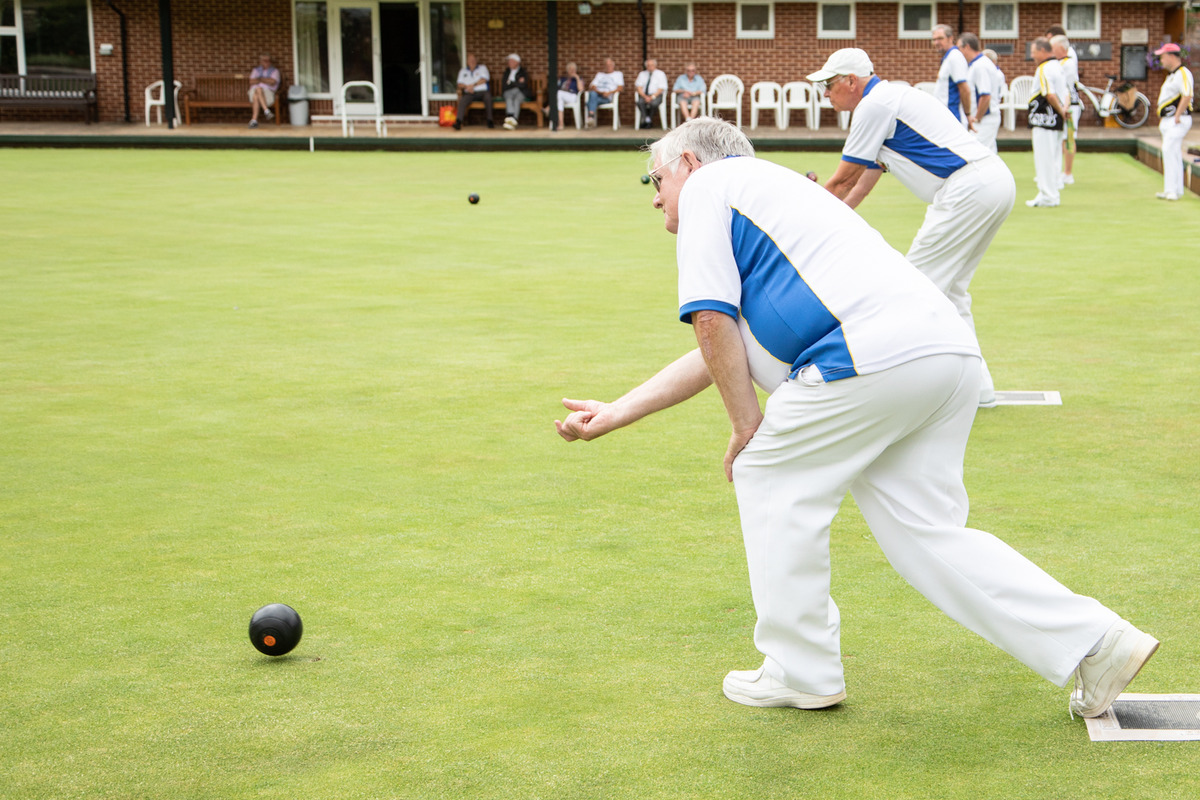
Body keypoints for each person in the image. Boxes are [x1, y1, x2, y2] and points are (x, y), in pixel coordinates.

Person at [554, 116, 1159, 718]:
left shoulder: (714, 187)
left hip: (865, 355)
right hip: (943, 356)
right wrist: (617, 412)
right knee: (927, 535)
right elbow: (720, 344)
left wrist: (747, 428)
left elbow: (709, 319)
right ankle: (1096, 643)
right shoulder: (771, 198)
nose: (654, 194)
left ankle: (801, 669)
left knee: (766, 473)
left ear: (689, 163)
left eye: (653, 177)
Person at [814, 48, 1007, 408]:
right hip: (993, 183)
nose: (826, 93)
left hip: (967, 190)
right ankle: (978, 389)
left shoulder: (874, 106)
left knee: (911, 290)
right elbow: (863, 182)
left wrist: (806, 215)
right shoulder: (892, 97)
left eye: (829, 84)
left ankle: (885, 390)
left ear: (851, 81)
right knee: (951, 294)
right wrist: (831, 217)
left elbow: (842, 180)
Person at [1026, 38, 1069, 208]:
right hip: (1056, 121)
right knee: (1052, 158)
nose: (1032, 56)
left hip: (1045, 119)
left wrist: (1060, 110)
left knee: (1044, 159)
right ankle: (1050, 193)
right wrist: (1064, 110)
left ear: (1043, 51)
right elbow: (1066, 92)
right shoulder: (1058, 67)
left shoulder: (1044, 68)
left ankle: (1048, 196)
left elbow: (1049, 94)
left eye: (1033, 51)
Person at [1153, 43, 1194, 201]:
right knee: (1173, 153)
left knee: (1169, 151)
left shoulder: (1183, 73)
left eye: (1163, 56)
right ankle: (1175, 189)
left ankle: (1171, 190)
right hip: (1169, 120)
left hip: (1177, 120)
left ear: (1171, 56)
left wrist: (1177, 115)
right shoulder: (1172, 75)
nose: (1161, 60)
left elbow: (1187, 95)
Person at [959, 33, 1000, 152]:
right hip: (985, 117)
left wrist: (977, 118)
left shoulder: (980, 66)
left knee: (978, 153)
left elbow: (985, 95)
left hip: (985, 118)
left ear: (966, 47)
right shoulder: (978, 64)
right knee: (990, 153)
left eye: (959, 48)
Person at [1051, 34, 1082, 185]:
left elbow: (1067, 89)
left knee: (1068, 138)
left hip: (1070, 107)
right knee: (1060, 139)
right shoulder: (1058, 63)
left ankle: (1068, 173)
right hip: (1061, 106)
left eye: (1053, 47)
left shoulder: (1067, 64)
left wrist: (1066, 108)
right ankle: (1057, 172)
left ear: (1062, 48)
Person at [931, 24, 971, 124]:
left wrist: (968, 115)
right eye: (934, 39)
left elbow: (964, 89)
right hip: (945, 116)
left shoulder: (955, 57)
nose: (936, 42)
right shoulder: (948, 57)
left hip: (953, 117)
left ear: (950, 38)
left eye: (940, 38)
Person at [454, 53, 493, 130]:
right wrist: (467, 87)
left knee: (488, 97)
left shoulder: (482, 68)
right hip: (469, 93)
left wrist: (473, 85)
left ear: (476, 60)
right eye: (470, 60)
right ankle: (458, 122)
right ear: (467, 61)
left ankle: (490, 120)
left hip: (482, 92)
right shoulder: (463, 71)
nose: (472, 61)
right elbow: (459, 84)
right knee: (462, 101)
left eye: (473, 59)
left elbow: (484, 79)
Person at [586, 58, 624, 128]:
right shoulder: (599, 75)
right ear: (604, 66)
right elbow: (592, 86)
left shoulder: (618, 74)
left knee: (590, 101)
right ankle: (591, 116)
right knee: (592, 93)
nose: (608, 66)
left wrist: (609, 92)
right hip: (598, 95)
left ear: (613, 65)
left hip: (607, 98)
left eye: (610, 65)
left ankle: (590, 116)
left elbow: (620, 88)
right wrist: (600, 92)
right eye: (606, 65)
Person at [247, 54, 281, 129]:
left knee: (257, 93)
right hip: (253, 92)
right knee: (257, 91)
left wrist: (259, 79)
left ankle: (254, 120)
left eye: (268, 61)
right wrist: (265, 80)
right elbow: (251, 81)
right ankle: (266, 111)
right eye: (264, 61)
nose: (266, 62)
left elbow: (272, 81)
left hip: (268, 93)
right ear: (260, 62)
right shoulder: (256, 70)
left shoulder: (275, 71)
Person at [635, 58, 669, 129]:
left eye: (651, 65)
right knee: (639, 102)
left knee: (653, 104)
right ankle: (647, 120)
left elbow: (661, 88)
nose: (650, 67)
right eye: (648, 65)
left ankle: (647, 119)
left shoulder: (660, 74)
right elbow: (639, 87)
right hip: (645, 95)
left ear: (655, 65)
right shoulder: (642, 74)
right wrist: (645, 97)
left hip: (656, 96)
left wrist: (652, 97)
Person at [500, 53, 532, 130]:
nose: (509, 63)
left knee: (517, 100)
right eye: (509, 61)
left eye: (511, 61)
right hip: (508, 92)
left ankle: (512, 119)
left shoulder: (522, 72)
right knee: (509, 98)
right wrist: (517, 83)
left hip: (520, 92)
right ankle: (512, 118)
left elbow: (523, 85)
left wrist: (511, 83)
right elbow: (504, 85)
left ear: (517, 62)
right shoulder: (507, 72)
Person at [555, 62, 585, 129]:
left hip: (572, 96)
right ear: (567, 70)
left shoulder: (579, 78)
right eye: (570, 69)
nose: (572, 71)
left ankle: (549, 108)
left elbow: (581, 89)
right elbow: (556, 88)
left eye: (573, 69)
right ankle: (561, 124)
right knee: (559, 98)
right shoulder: (563, 79)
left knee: (559, 94)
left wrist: (577, 78)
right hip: (561, 97)